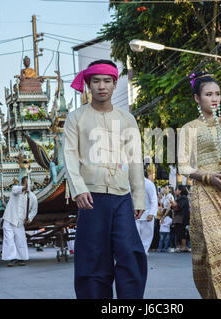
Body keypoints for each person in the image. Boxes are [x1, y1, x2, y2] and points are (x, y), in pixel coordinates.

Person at [64, 59, 147, 299]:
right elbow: (69, 155)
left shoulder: (127, 119)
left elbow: (134, 159)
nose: (102, 86)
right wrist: (78, 189)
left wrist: (138, 197)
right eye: (96, 81)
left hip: (122, 197)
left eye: (107, 81)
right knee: (93, 259)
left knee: (130, 254)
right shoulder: (76, 118)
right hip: (90, 197)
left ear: (114, 84)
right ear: (88, 84)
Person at [178, 72, 221, 299]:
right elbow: (183, 167)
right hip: (206, 193)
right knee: (213, 247)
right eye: (209, 94)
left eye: (217, 94)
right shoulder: (189, 128)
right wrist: (208, 177)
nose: (214, 98)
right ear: (197, 98)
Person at [2, 176, 38, 267]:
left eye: (29, 183)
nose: (28, 185)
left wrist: (29, 218)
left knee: (20, 240)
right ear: (22, 183)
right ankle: (11, 258)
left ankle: (20, 258)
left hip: (20, 222)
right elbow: (17, 189)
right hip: (10, 219)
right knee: (9, 239)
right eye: (26, 183)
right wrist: (24, 188)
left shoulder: (32, 197)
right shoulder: (15, 190)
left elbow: (34, 210)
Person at [135, 170, 158, 255]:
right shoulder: (131, 183)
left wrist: (152, 213)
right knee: (135, 235)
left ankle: (143, 251)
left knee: (146, 236)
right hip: (135, 214)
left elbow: (154, 199)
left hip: (147, 213)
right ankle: (137, 251)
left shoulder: (149, 184)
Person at [171, 185, 190, 252]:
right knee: (179, 232)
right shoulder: (180, 198)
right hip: (179, 218)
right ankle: (180, 247)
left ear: (180, 191)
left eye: (177, 190)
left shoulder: (183, 198)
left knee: (182, 232)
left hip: (182, 218)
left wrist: (174, 204)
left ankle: (183, 246)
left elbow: (179, 207)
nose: (175, 191)